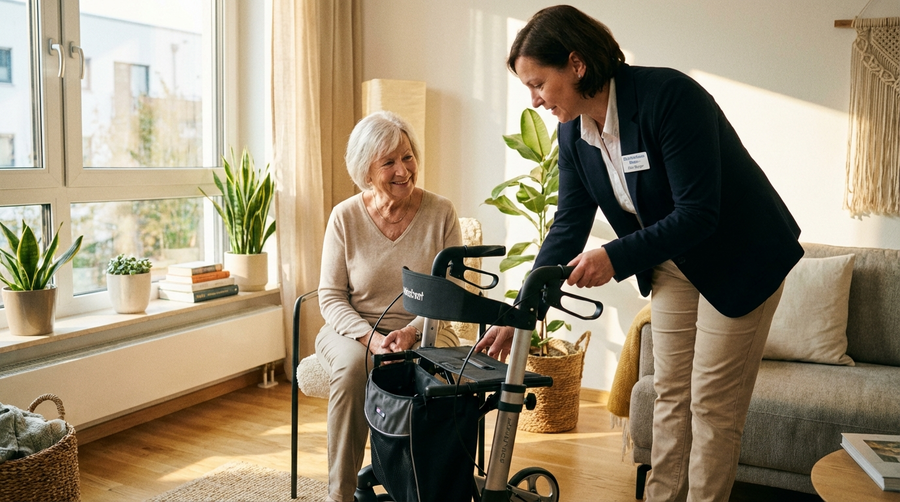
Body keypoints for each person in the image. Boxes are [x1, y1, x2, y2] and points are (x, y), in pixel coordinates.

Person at [474, 5, 803, 502]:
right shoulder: (574, 133)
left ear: (577, 64)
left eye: (538, 84)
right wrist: (522, 312)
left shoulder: (669, 97)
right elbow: (566, 226)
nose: (535, 101)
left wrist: (613, 257)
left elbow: (699, 213)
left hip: (741, 259)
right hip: (675, 262)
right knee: (670, 395)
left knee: (712, 407)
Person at [315, 110, 462, 502]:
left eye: (408, 156)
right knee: (350, 371)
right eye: (389, 162)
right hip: (354, 328)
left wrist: (411, 331)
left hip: (426, 326)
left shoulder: (441, 212)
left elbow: (450, 291)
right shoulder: (344, 217)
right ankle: (339, 495)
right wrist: (371, 338)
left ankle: (428, 488)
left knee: (437, 372)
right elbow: (330, 295)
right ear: (366, 171)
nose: (403, 170)